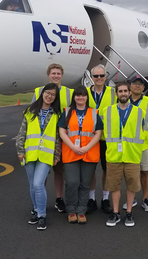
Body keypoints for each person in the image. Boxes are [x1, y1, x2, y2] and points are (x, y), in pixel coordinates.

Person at [16, 83, 61, 231]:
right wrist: (20, 151)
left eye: (53, 95)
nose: (49, 96)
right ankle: (36, 209)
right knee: (32, 184)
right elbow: (22, 132)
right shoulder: (30, 111)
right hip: (30, 153)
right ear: (42, 93)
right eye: (47, 93)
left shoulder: (56, 114)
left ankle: (41, 215)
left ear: (55, 98)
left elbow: (58, 137)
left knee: (38, 184)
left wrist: (56, 154)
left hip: (46, 155)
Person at [32, 63, 73, 213]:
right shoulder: (38, 91)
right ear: (48, 74)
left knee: (59, 170)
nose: (56, 76)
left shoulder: (69, 93)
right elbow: (31, 114)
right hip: (42, 138)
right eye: (53, 73)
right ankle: (39, 199)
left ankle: (59, 198)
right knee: (42, 172)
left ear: (62, 75)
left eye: (58, 73)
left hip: (60, 137)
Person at [58, 85, 102, 224]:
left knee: (85, 183)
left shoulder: (94, 112)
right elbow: (62, 131)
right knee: (72, 182)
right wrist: (73, 147)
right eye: (78, 95)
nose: (80, 97)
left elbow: (98, 133)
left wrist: (87, 147)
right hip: (71, 152)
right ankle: (71, 210)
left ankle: (81, 211)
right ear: (74, 97)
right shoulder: (67, 112)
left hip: (89, 153)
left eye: (83, 95)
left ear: (87, 97)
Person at [103, 82, 145, 227]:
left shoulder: (139, 112)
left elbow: (143, 132)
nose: (123, 93)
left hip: (132, 155)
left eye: (125, 91)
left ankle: (128, 212)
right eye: (120, 91)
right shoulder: (106, 111)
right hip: (114, 155)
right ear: (116, 94)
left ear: (129, 93)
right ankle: (115, 213)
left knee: (132, 185)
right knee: (114, 185)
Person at [122, 75, 148, 212]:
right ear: (130, 86)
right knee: (130, 174)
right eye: (135, 83)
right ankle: (132, 198)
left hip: (144, 144)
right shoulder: (123, 100)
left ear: (143, 87)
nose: (137, 86)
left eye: (140, 84)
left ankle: (145, 199)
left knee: (144, 172)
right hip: (128, 144)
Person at [86, 64, 116, 214]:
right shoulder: (84, 93)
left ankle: (105, 198)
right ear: (91, 78)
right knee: (91, 169)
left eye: (102, 76)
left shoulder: (113, 93)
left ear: (106, 77)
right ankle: (91, 199)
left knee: (107, 170)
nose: (99, 78)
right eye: (96, 76)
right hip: (90, 138)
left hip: (107, 138)